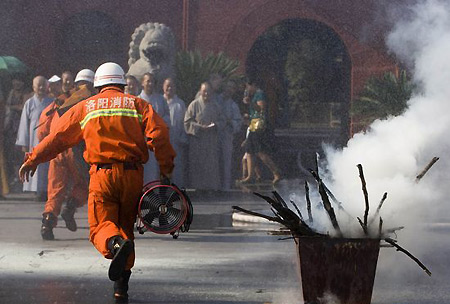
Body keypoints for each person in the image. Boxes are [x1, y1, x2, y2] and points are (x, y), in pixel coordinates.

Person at [19, 62, 175, 300]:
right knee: (126, 230)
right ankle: (121, 286)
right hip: (133, 176)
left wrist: (33, 159)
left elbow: (58, 138)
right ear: (122, 83)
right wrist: (166, 169)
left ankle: (114, 245)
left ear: (98, 85)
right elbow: (160, 133)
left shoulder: (87, 107)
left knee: (100, 228)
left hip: (103, 176)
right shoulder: (137, 104)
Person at [37, 69, 95, 240]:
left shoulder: (59, 102)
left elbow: (42, 130)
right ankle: (70, 207)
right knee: (86, 184)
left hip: (57, 152)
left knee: (55, 190)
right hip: (78, 152)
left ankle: (47, 222)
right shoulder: (91, 102)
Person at [16, 76, 53, 199]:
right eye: (39, 85)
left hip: (48, 139)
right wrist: (24, 143)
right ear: (34, 87)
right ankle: (37, 191)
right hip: (33, 139)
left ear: (47, 86)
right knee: (35, 163)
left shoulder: (52, 102)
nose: (41, 87)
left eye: (43, 85)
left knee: (47, 165)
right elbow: (24, 124)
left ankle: (46, 190)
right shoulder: (29, 103)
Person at [239, 80, 282, 185]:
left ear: (253, 84)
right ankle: (250, 175)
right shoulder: (255, 95)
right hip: (253, 124)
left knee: (260, 151)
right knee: (249, 150)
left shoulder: (259, 94)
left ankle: (276, 172)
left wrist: (250, 103)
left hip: (259, 126)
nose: (247, 89)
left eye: (248, 86)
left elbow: (260, 108)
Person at [184, 82, 224, 190]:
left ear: (212, 92)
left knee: (211, 165)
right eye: (204, 91)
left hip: (211, 140)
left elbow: (222, 121)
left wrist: (215, 125)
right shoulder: (194, 104)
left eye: (208, 91)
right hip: (198, 140)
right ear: (200, 91)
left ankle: (211, 188)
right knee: (198, 165)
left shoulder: (216, 106)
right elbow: (187, 122)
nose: (206, 93)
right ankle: (198, 188)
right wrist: (198, 127)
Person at [139, 72, 171, 183]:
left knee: (157, 168)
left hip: (158, 139)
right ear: (142, 83)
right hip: (143, 140)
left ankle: (157, 192)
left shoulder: (161, 100)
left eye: (152, 81)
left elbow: (167, 116)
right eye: (148, 81)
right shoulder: (137, 100)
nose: (150, 84)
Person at [217, 80, 242, 190]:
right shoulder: (216, 100)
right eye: (228, 87)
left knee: (226, 160)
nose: (229, 90)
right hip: (214, 134)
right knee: (214, 160)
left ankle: (225, 187)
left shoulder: (233, 105)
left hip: (227, 135)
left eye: (232, 88)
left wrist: (230, 122)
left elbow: (238, 122)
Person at [4, 75, 27, 191]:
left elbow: (22, 107)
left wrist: (12, 107)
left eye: (19, 81)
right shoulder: (11, 93)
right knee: (11, 154)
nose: (16, 83)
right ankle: (14, 177)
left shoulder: (25, 93)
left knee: (19, 154)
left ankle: (20, 178)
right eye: (15, 80)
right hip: (10, 128)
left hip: (19, 127)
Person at [163, 78, 188, 187]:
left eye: (172, 86)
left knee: (177, 167)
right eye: (167, 86)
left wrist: (182, 138)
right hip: (162, 142)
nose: (169, 88)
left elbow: (185, 123)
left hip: (176, 142)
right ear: (163, 87)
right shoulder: (160, 101)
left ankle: (176, 190)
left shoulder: (180, 104)